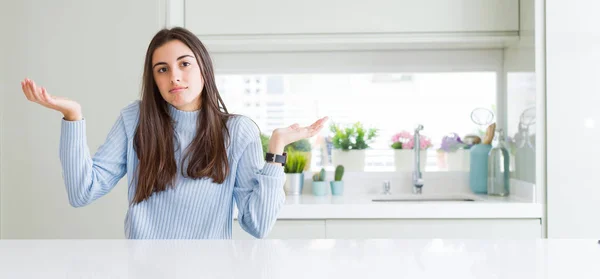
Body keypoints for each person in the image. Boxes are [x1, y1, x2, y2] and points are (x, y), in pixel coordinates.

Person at [19, 27, 328, 239]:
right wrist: (72, 116)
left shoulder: (237, 131)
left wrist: (275, 154)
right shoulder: (135, 119)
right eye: (162, 69)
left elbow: (258, 225)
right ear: (153, 78)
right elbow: (82, 192)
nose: (175, 77)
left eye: (184, 64)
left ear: (204, 69)